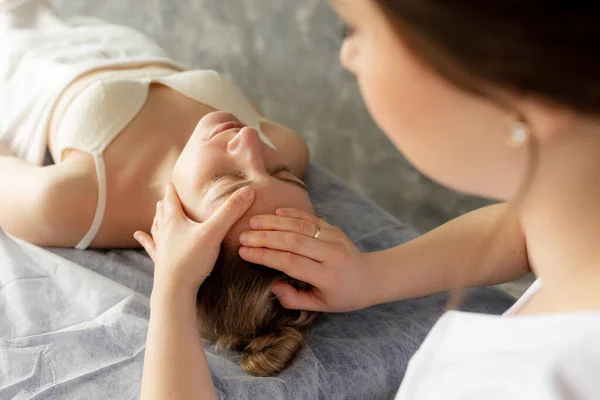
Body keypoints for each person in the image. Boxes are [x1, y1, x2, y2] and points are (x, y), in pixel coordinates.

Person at [137, 0, 600, 399]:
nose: (348, 55)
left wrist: (172, 290)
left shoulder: (531, 382)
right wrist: (376, 276)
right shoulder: (577, 211)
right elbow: (532, 230)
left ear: (515, 78)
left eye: (356, 28)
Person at [0, 0, 319, 376]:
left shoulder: (75, 202)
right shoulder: (290, 148)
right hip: (99, 27)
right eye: (281, 173)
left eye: (226, 181)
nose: (248, 139)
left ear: (181, 238)